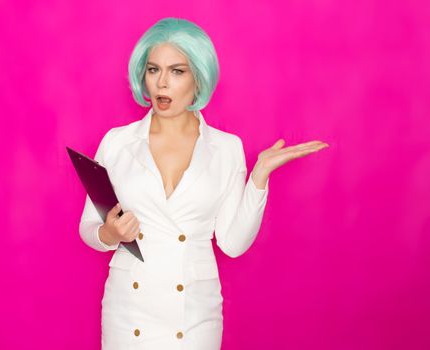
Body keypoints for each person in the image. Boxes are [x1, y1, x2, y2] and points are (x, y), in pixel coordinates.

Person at [79, 17, 328, 349]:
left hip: (194, 314)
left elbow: (232, 243)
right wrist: (111, 234)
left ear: (199, 78)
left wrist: (259, 176)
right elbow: (88, 228)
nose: (161, 83)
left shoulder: (226, 148)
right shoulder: (117, 142)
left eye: (177, 71)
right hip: (129, 311)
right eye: (153, 70)